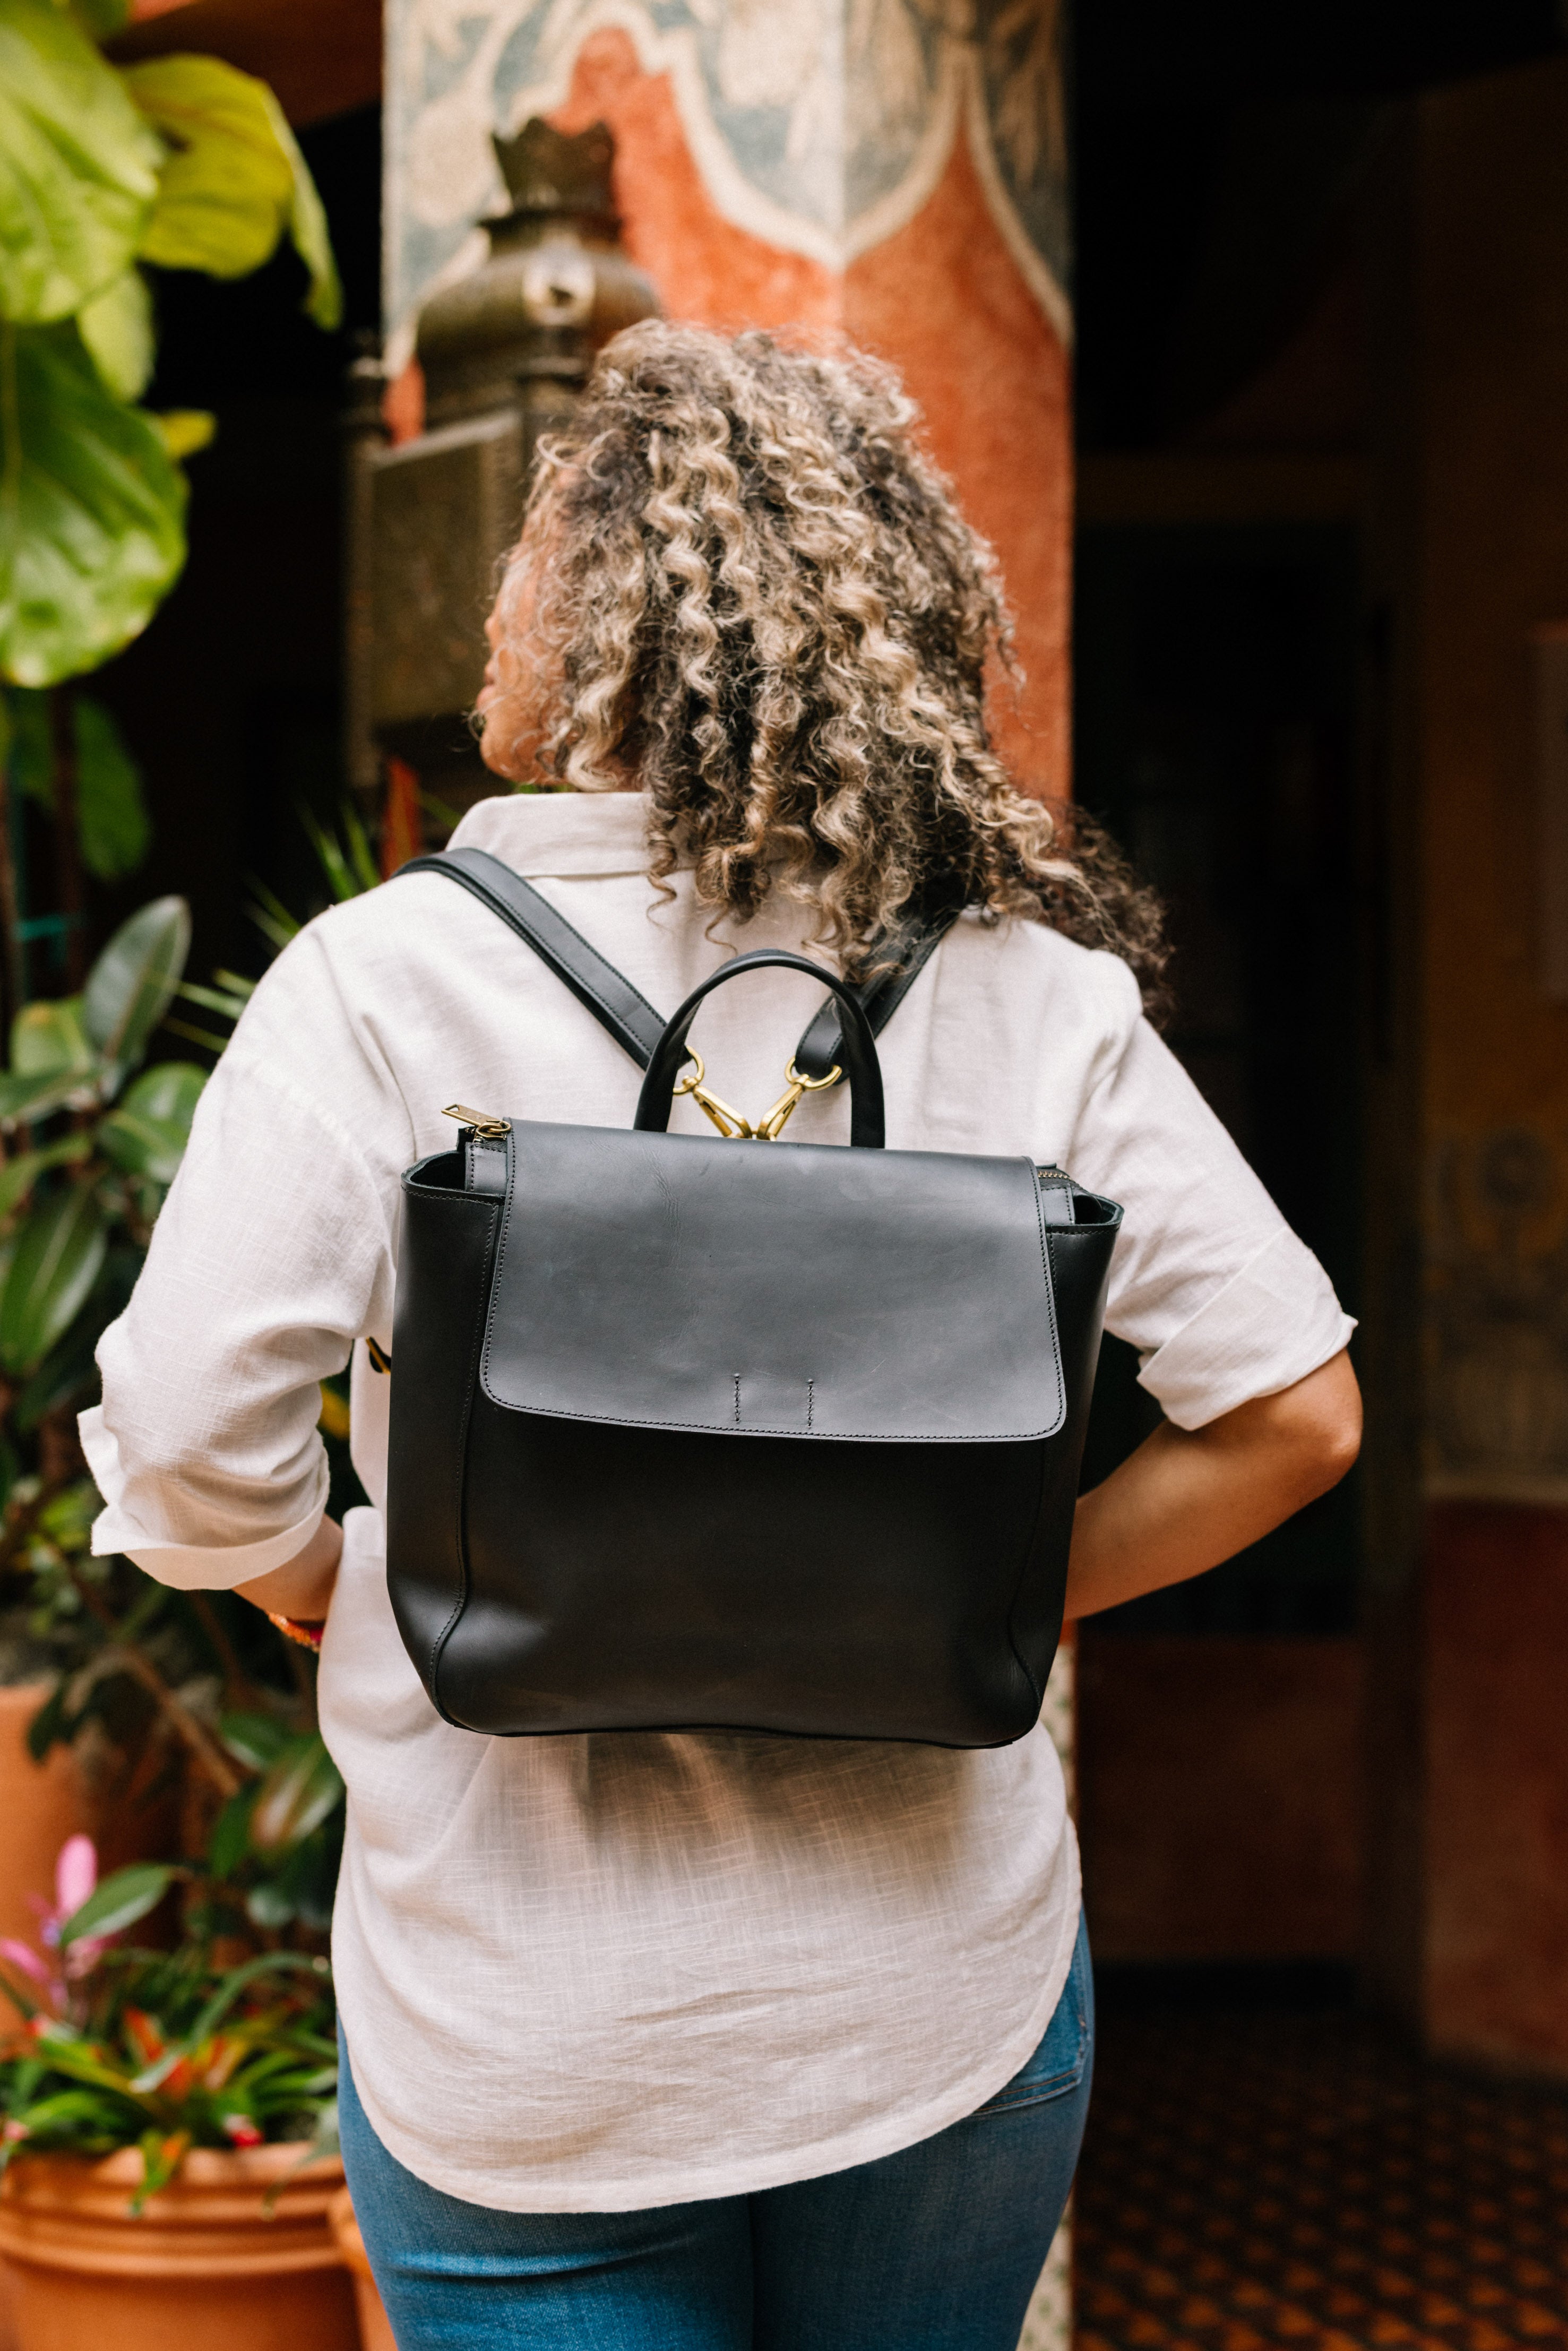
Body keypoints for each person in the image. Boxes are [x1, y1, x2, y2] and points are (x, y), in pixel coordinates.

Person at [82, 323, 1361, 2351]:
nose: (491, 599)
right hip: (935, 2011)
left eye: (531, 544)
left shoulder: (384, 985)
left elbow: (176, 1448)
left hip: (523, 2032)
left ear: (615, 610)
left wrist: (323, 1577)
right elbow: (1295, 1416)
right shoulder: (1025, 988)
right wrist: (988, 1589)